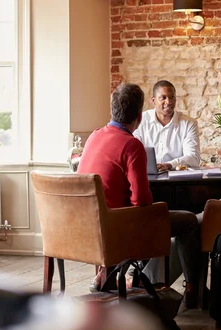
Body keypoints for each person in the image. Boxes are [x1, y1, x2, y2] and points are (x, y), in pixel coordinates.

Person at [78, 82, 205, 308]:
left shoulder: (94, 136)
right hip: (119, 226)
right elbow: (142, 201)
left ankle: (110, 276)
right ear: (139, 115)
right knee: (188, 221)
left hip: (88, 226)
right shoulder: (132, 145)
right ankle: (193, 289)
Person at [133, 80, 201, 171]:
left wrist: (169, 165)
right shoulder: (141, 120)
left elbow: (193, 158)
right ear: (154, 100)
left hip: (178, 179)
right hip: (148, 177)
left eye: (172, 97)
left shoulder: (189, 123)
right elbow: (133, 153)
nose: (168, 102)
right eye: (163, 98)